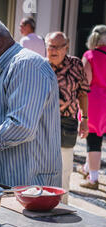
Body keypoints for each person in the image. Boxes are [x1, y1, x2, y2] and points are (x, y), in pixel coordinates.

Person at [0, 16, 62, 188]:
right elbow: (2, 122)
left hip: (27, 184)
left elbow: (21, 127)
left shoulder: (26, 65)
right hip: (4, 180)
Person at [45, 32, 89, 197]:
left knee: (64, 168)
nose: (53, 50)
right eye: (51, 46)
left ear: (66, 47)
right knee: (41, 165)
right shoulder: (39, 65)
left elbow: (83, 93)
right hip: (42, 122)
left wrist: (84, 119)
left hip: (67, 122)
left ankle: (62, 204)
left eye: (58, 47)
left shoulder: (76, 65)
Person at [77, 25, 106, 190]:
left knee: (93, 140)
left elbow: (85, 82)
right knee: (98, 138)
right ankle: (87, 169)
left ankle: (93, 179)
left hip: (93, 101)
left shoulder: (90, 55)